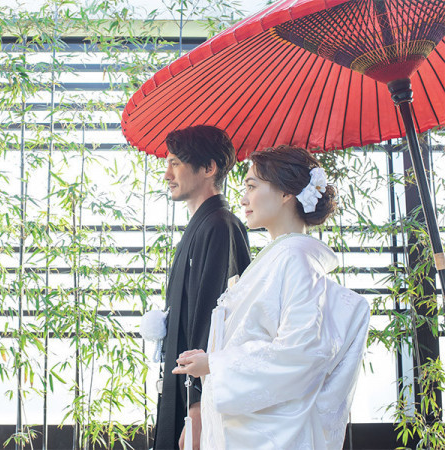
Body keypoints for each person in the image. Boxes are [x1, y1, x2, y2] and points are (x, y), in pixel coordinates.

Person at [172, 146, 370, 449]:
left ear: (285, 194)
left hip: (270, 432)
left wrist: (215, 363)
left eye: (252, 186)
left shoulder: (295, 260)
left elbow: (302, 352)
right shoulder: (280, 257)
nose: (243, 198)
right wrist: (212, 356)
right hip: (252, 426)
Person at [153, 125, 251, 450]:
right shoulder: (202, 225)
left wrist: (197, 407)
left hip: (200, 394)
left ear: (208, 168)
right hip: (184, 385)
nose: (167, 173)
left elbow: (217, 317)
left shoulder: (221, 226)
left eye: (176, 163)